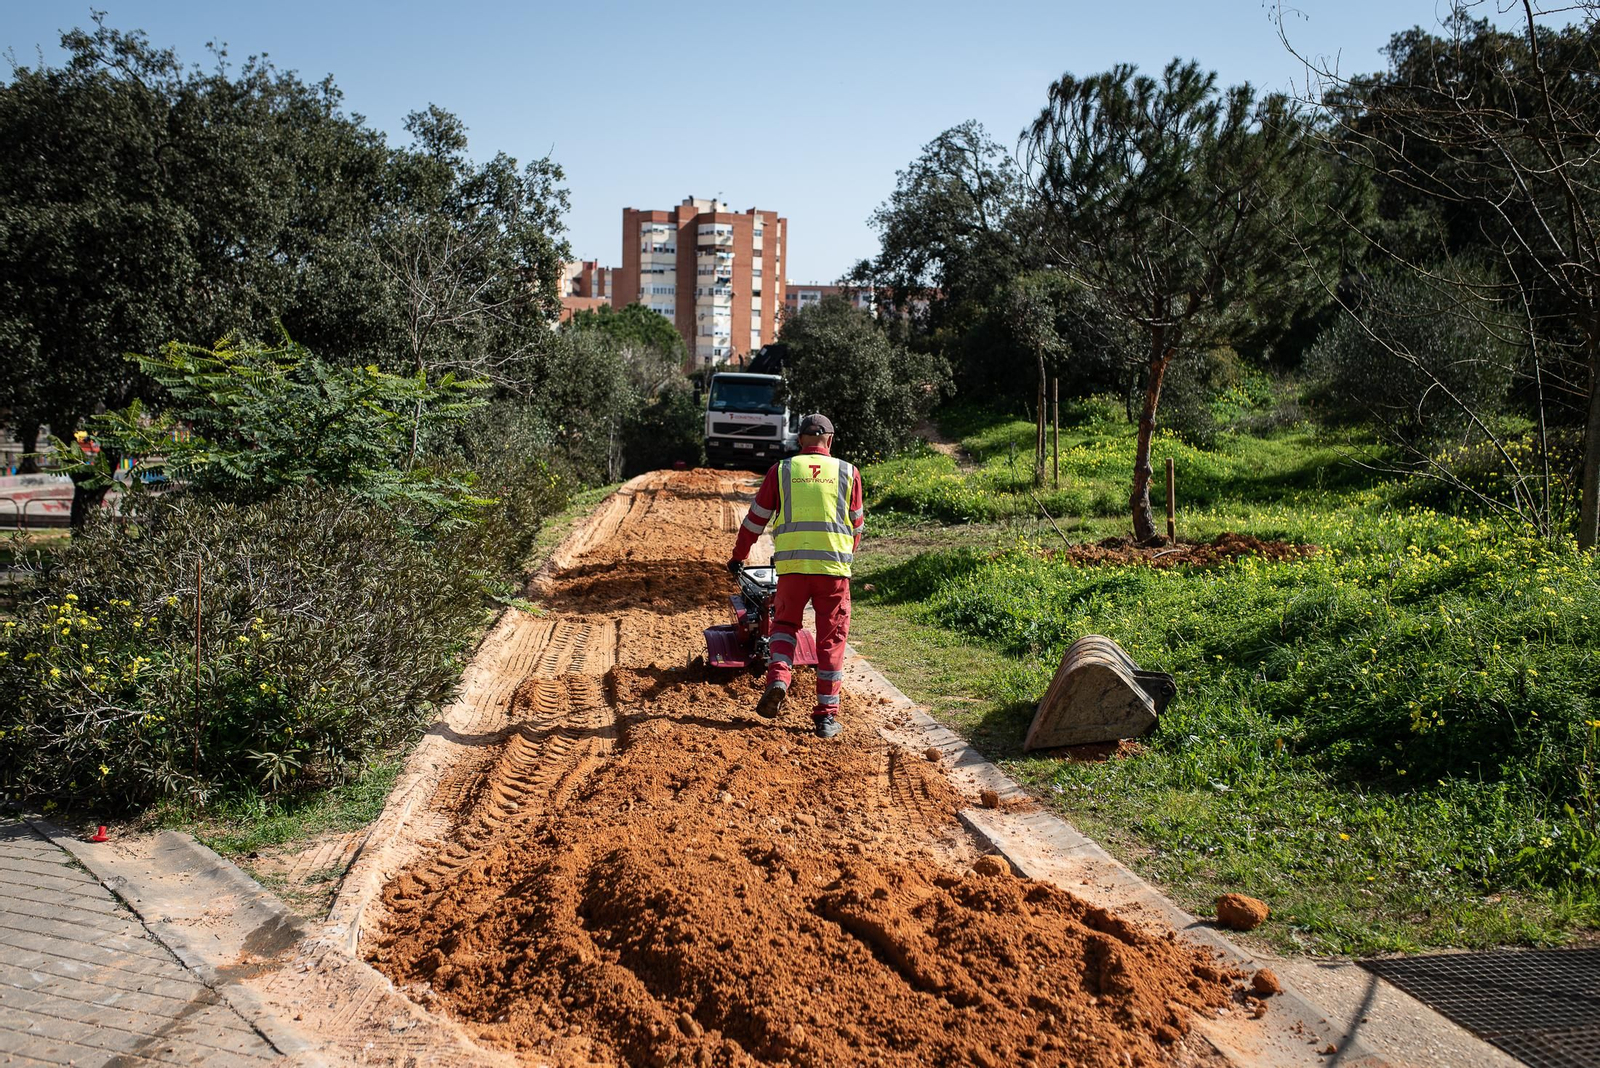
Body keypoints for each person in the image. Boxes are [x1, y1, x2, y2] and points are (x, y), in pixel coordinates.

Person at [727, 413, 864, 739]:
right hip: (833, 573)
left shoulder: (782, 471)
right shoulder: (848, 472)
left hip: (791, 571)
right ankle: (826, 717)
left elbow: (754, 521)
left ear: (799, 440)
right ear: (830, 440)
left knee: (785, 626)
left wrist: (738, 557)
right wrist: (843, 556)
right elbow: (857, 526)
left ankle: (778, 678)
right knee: (831, 640)